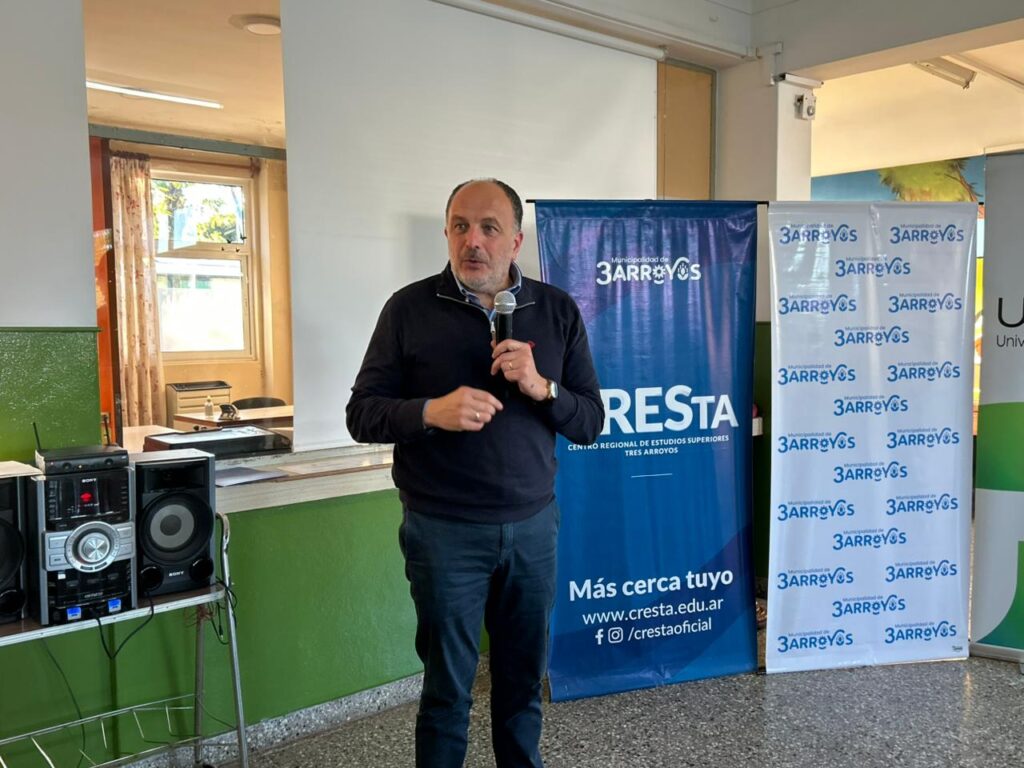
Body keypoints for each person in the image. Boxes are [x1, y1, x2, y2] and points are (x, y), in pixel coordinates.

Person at [346, 178, 604, 767]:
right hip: (443, 532)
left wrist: (541, 387)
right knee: (447, 692)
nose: (473, 241)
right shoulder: (408, 309)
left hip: (533, 530)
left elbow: (590, 422)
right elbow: (362, 414)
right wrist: (429, 412)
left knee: (521, 687)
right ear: (446, 233)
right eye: (460, 226)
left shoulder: (556, 310)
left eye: (489, 228)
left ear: (515, 240)